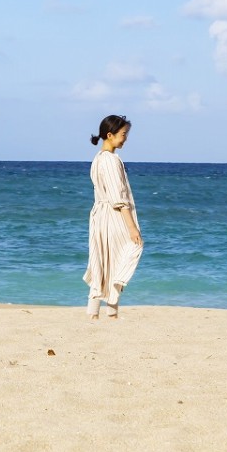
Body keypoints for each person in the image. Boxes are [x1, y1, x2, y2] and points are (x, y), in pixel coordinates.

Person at [83, 114, 143, 319]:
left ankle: (97, 313)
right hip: (112, 215)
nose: (125, 138)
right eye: (123, 134)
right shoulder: (110, 160)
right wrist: (132, 227)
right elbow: (118, 197)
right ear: (110, 135)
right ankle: (110, 312)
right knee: (126, 254)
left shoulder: (98, 159)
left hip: (100, 215)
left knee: (103, 261)